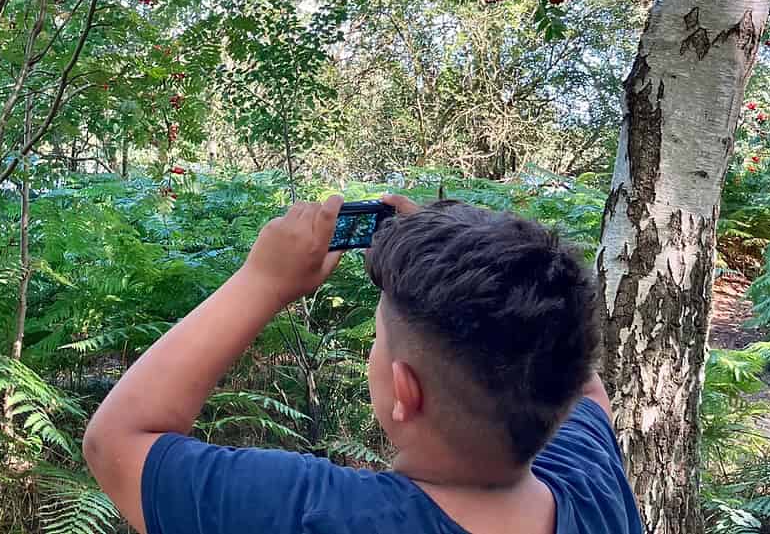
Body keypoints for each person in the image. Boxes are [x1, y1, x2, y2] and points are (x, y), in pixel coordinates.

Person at [83, 194, 644, 534]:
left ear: (405, 391)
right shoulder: (590, 484)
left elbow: (116, 443)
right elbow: (581, 383)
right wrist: (451, 253)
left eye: (379, 340)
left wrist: (262, 281)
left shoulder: (317, 515)